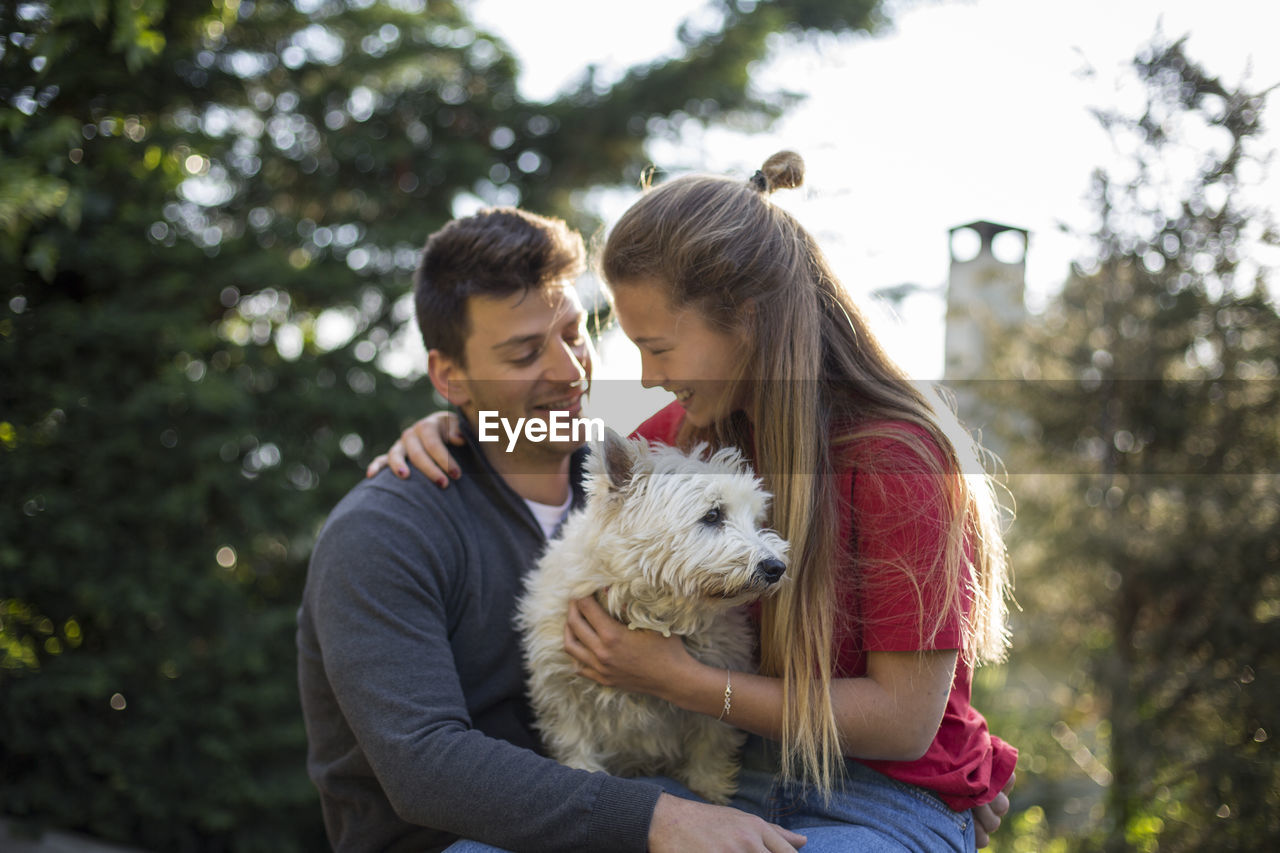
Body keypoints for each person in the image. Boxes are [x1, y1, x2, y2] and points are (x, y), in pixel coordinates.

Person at [374, 152, 1018, 851]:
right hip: (714, 777)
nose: (647, 378)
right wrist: (456, 425)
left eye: (658, 348)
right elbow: (574, 476)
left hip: (875, 796)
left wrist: (679, 679)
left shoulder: (897, 459)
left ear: (746, 318)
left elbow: (902, 721)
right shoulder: (684, 438)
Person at [296, 207, 809, 852]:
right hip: (454, 840)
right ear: (450, 377)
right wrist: (657, 821)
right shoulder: (381, 535)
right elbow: (423, 766)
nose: (570, 371)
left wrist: (955, 757)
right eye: (524, 352)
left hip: (625, 797)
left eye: (573, 334)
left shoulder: (638, 484)